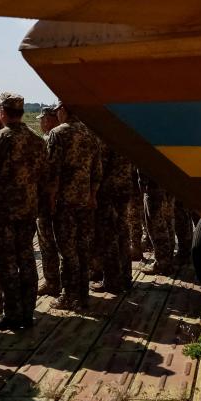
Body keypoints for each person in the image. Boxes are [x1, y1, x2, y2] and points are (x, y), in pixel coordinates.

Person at [0, 93, 46, 329]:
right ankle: (27, 311)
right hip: (27, 210)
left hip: (2, 213)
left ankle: (11, 313)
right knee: (26, 259)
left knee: (6, 263)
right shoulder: (37, 140)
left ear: (2, 112)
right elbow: (44, 177)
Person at [45, 101, 102, 310]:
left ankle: (69, 296)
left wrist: (51, 200)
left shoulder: (58, 134)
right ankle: (83, 294)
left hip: (65, 202)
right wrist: (93, 195)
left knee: (67, 251)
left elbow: (53, 172)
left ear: (64, 110)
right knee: (83, 248)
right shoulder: (90, 134)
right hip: (85, 200)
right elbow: (97, 170)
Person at [93, 143, 134, 294]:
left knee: (109, 236)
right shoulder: (121, 135)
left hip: (109, 192)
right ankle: (126, 277)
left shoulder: (105, 138)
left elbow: (99, 167)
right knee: (123, 233)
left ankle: (112, 281)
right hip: (124, 188)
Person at [35, 106, 62, 296]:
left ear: (50, 120)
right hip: (69, 199)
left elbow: (49, 173)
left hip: (48, 200)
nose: (40, 122)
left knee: (47, 243)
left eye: (43, 119)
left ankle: (52, 282)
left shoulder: (49, 140)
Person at [139, 170, 176, 275]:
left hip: (154, 187)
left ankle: (162, 264)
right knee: (168, 222)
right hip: (169, 185)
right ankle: (168, 259)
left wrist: (142, 184)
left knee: (156, 226)